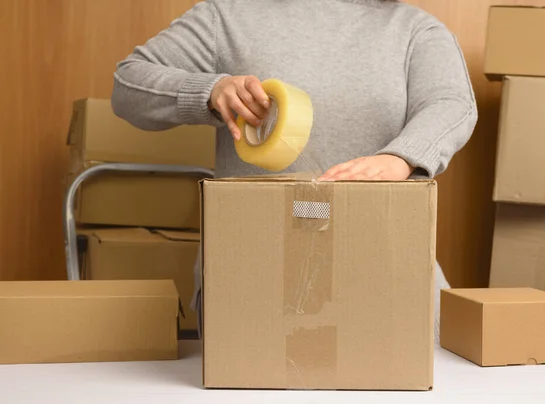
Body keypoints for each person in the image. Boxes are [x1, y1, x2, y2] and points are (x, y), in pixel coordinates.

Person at [111, 0, 478, 344]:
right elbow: (128, 85)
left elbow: (451, 103)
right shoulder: (226, 16)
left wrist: (403, 157)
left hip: (387, 266)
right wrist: (212, 90)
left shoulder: (416, 30)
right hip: (255, 274)